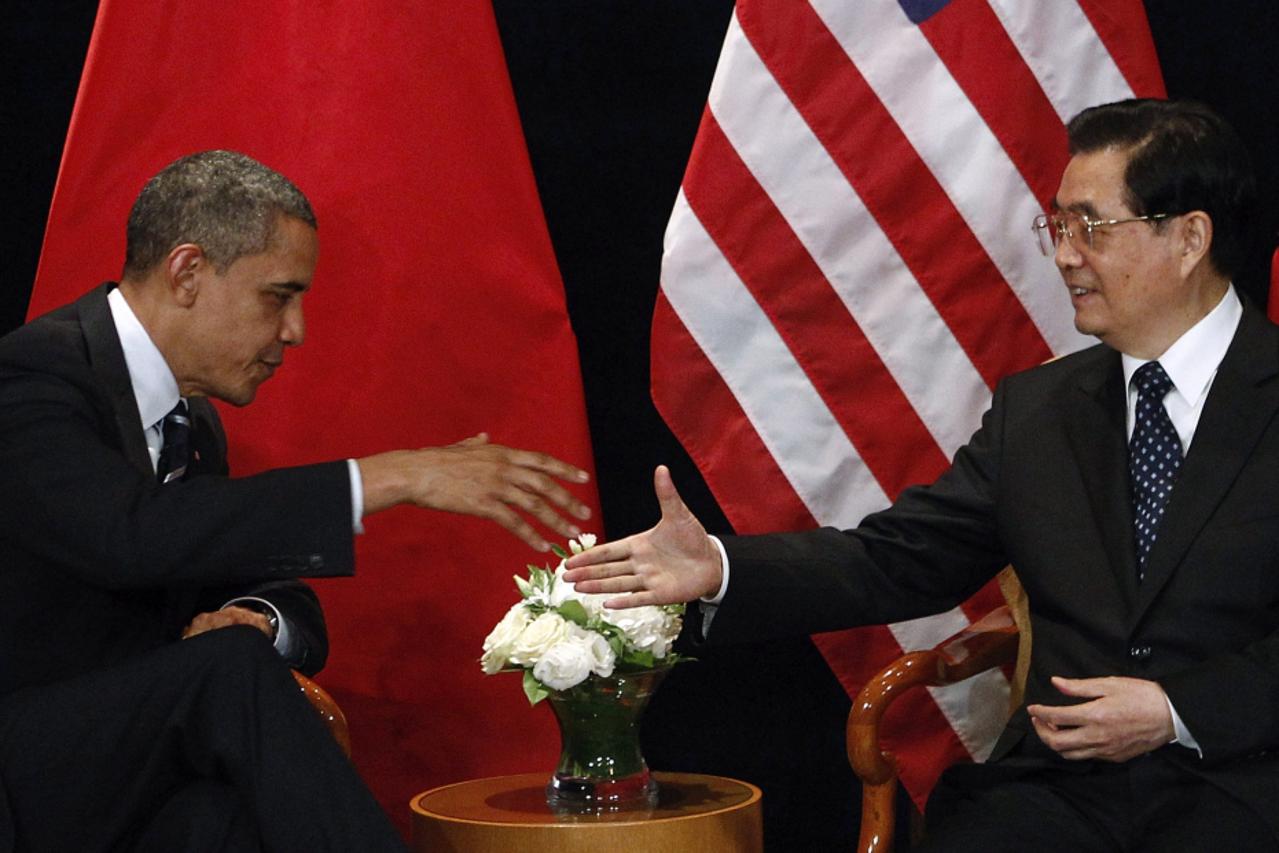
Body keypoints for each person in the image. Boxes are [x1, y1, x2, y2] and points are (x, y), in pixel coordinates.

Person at [564, 98, 1278, 851]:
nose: (1065, 255)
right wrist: (719, 566)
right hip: (1063, 795)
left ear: (1188, 237)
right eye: (1058, 227)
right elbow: (898, 558)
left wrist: (1174, 711)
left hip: (1244, 779)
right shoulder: (1040, 410)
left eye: (1090, 227)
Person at [0, 150, 593, 852]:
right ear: (187, 273)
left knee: (228, 818)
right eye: (277, 297)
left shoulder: (193, 425)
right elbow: (125, 534)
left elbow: (260, 581)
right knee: (228, 672)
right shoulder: (33, 375)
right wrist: (386, 477)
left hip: (125, 768)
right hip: (25, 762)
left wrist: (259, 618)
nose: (296, 330)